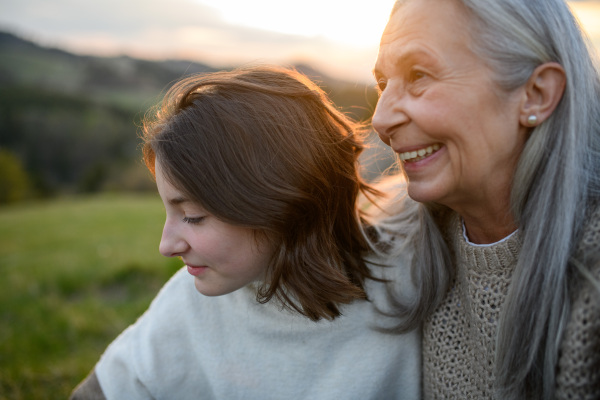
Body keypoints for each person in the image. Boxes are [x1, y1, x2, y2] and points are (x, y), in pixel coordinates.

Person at [69, 66, 420, 399]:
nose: (166, 246)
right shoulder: (191, 303)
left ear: (279, 202)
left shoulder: (410, 282)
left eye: (192, 215)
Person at [371, 0, 600, 398]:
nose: (380, 119)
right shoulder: (386, 247)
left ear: (535, 94)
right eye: (382, 84)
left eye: (419, 75)